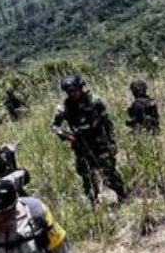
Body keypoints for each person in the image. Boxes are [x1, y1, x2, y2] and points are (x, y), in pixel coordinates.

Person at [51, 75, 128, 204]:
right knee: (87, 177)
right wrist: (65, 135)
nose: (72, 94)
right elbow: (54, 126)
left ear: (81, 88)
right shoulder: (64, 108)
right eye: (69, 91)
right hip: (81, 147)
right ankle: (93, 203)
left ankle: (123, 198)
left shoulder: (94, 101)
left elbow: (107, 123)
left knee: (110, 173)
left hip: (100, 144)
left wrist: (112, 142)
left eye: (74, 90)